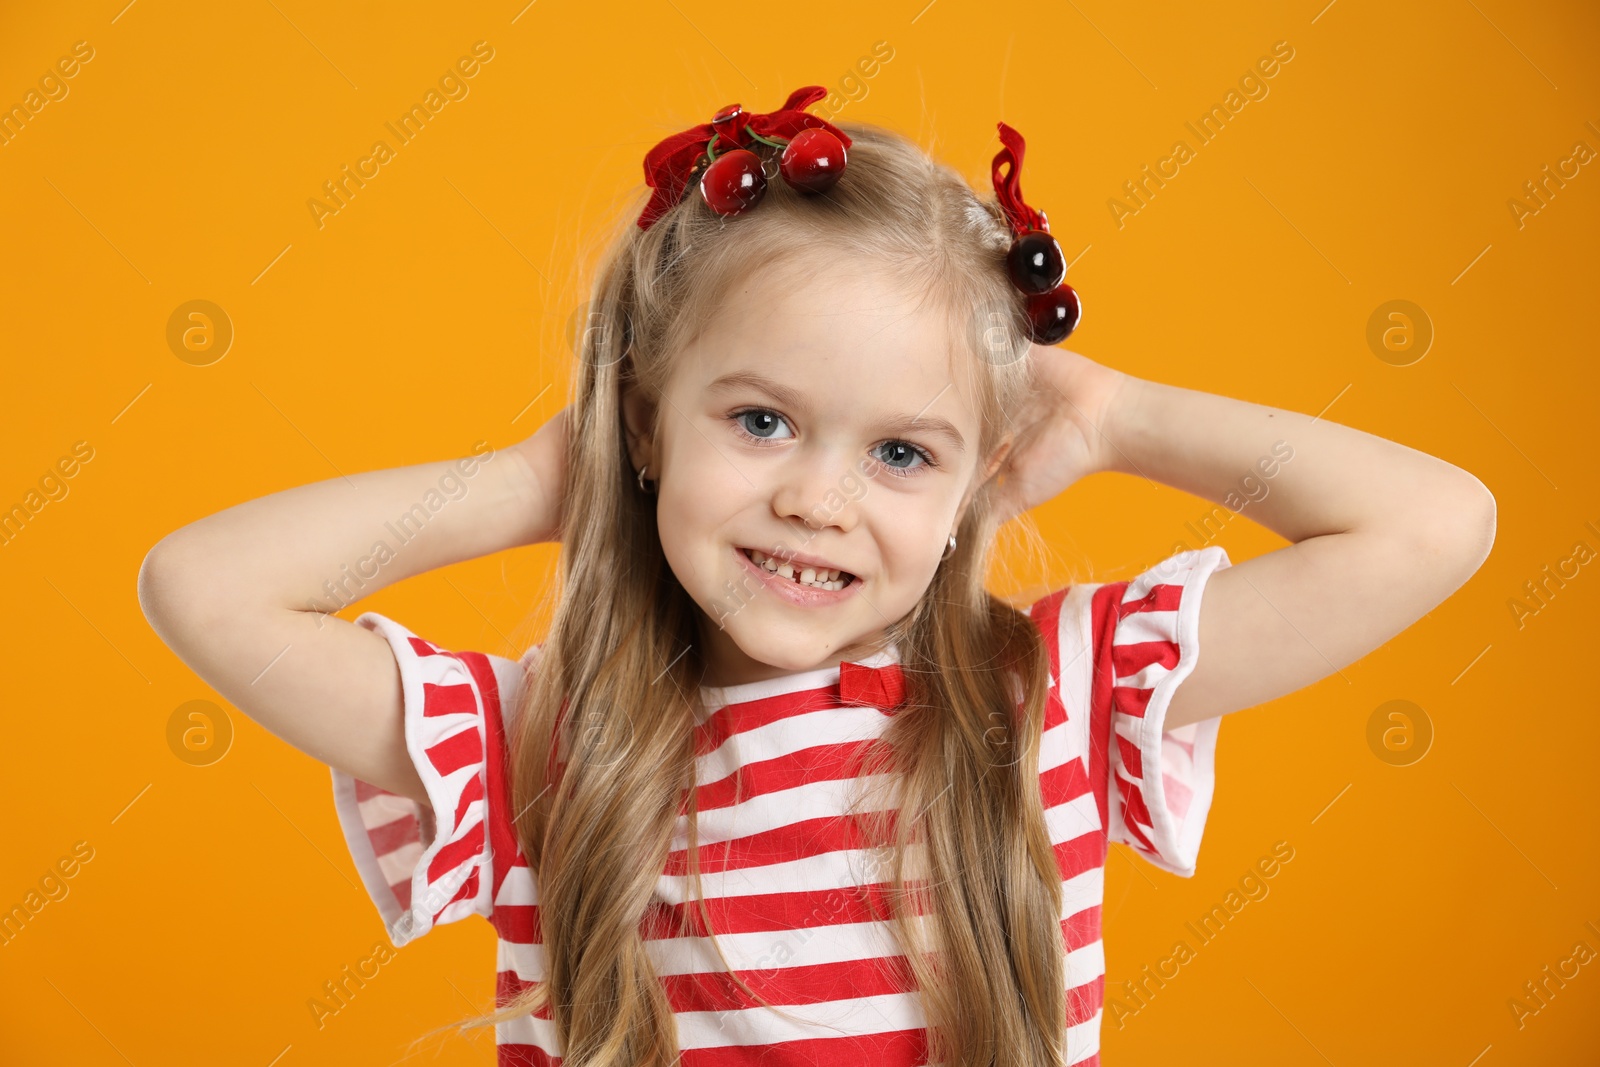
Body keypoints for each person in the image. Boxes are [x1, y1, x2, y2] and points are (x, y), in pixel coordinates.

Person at [136, 88, 1495, 1066]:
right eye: (761, 421)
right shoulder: (544, 742)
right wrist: (541, 483)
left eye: (903, 450)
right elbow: (203, 585)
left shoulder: (1056, 697)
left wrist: (1125, 417)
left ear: (978, 477)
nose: (816, 499)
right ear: (649, 418)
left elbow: (1433, 524)